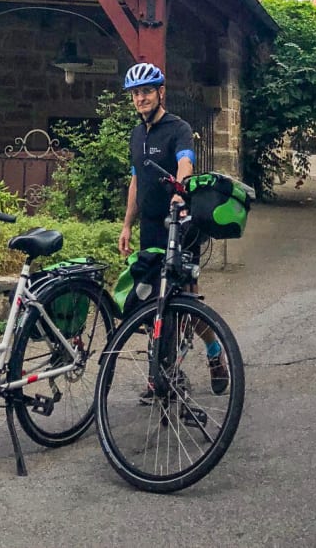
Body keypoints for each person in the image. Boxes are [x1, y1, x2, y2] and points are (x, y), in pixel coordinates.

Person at [118, 61, 229, 395]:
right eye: (136, 94)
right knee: (154, 305)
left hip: (179, 226)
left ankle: (213, 351)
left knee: (186, 305)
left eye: (147, 91)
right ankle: (161, 376)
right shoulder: (137, 134)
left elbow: (185, 162)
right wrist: (126, 225)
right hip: (149, 230)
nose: (141, 98)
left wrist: (181, 193)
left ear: (160, 92)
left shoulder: (178, 127)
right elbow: (137, 181)